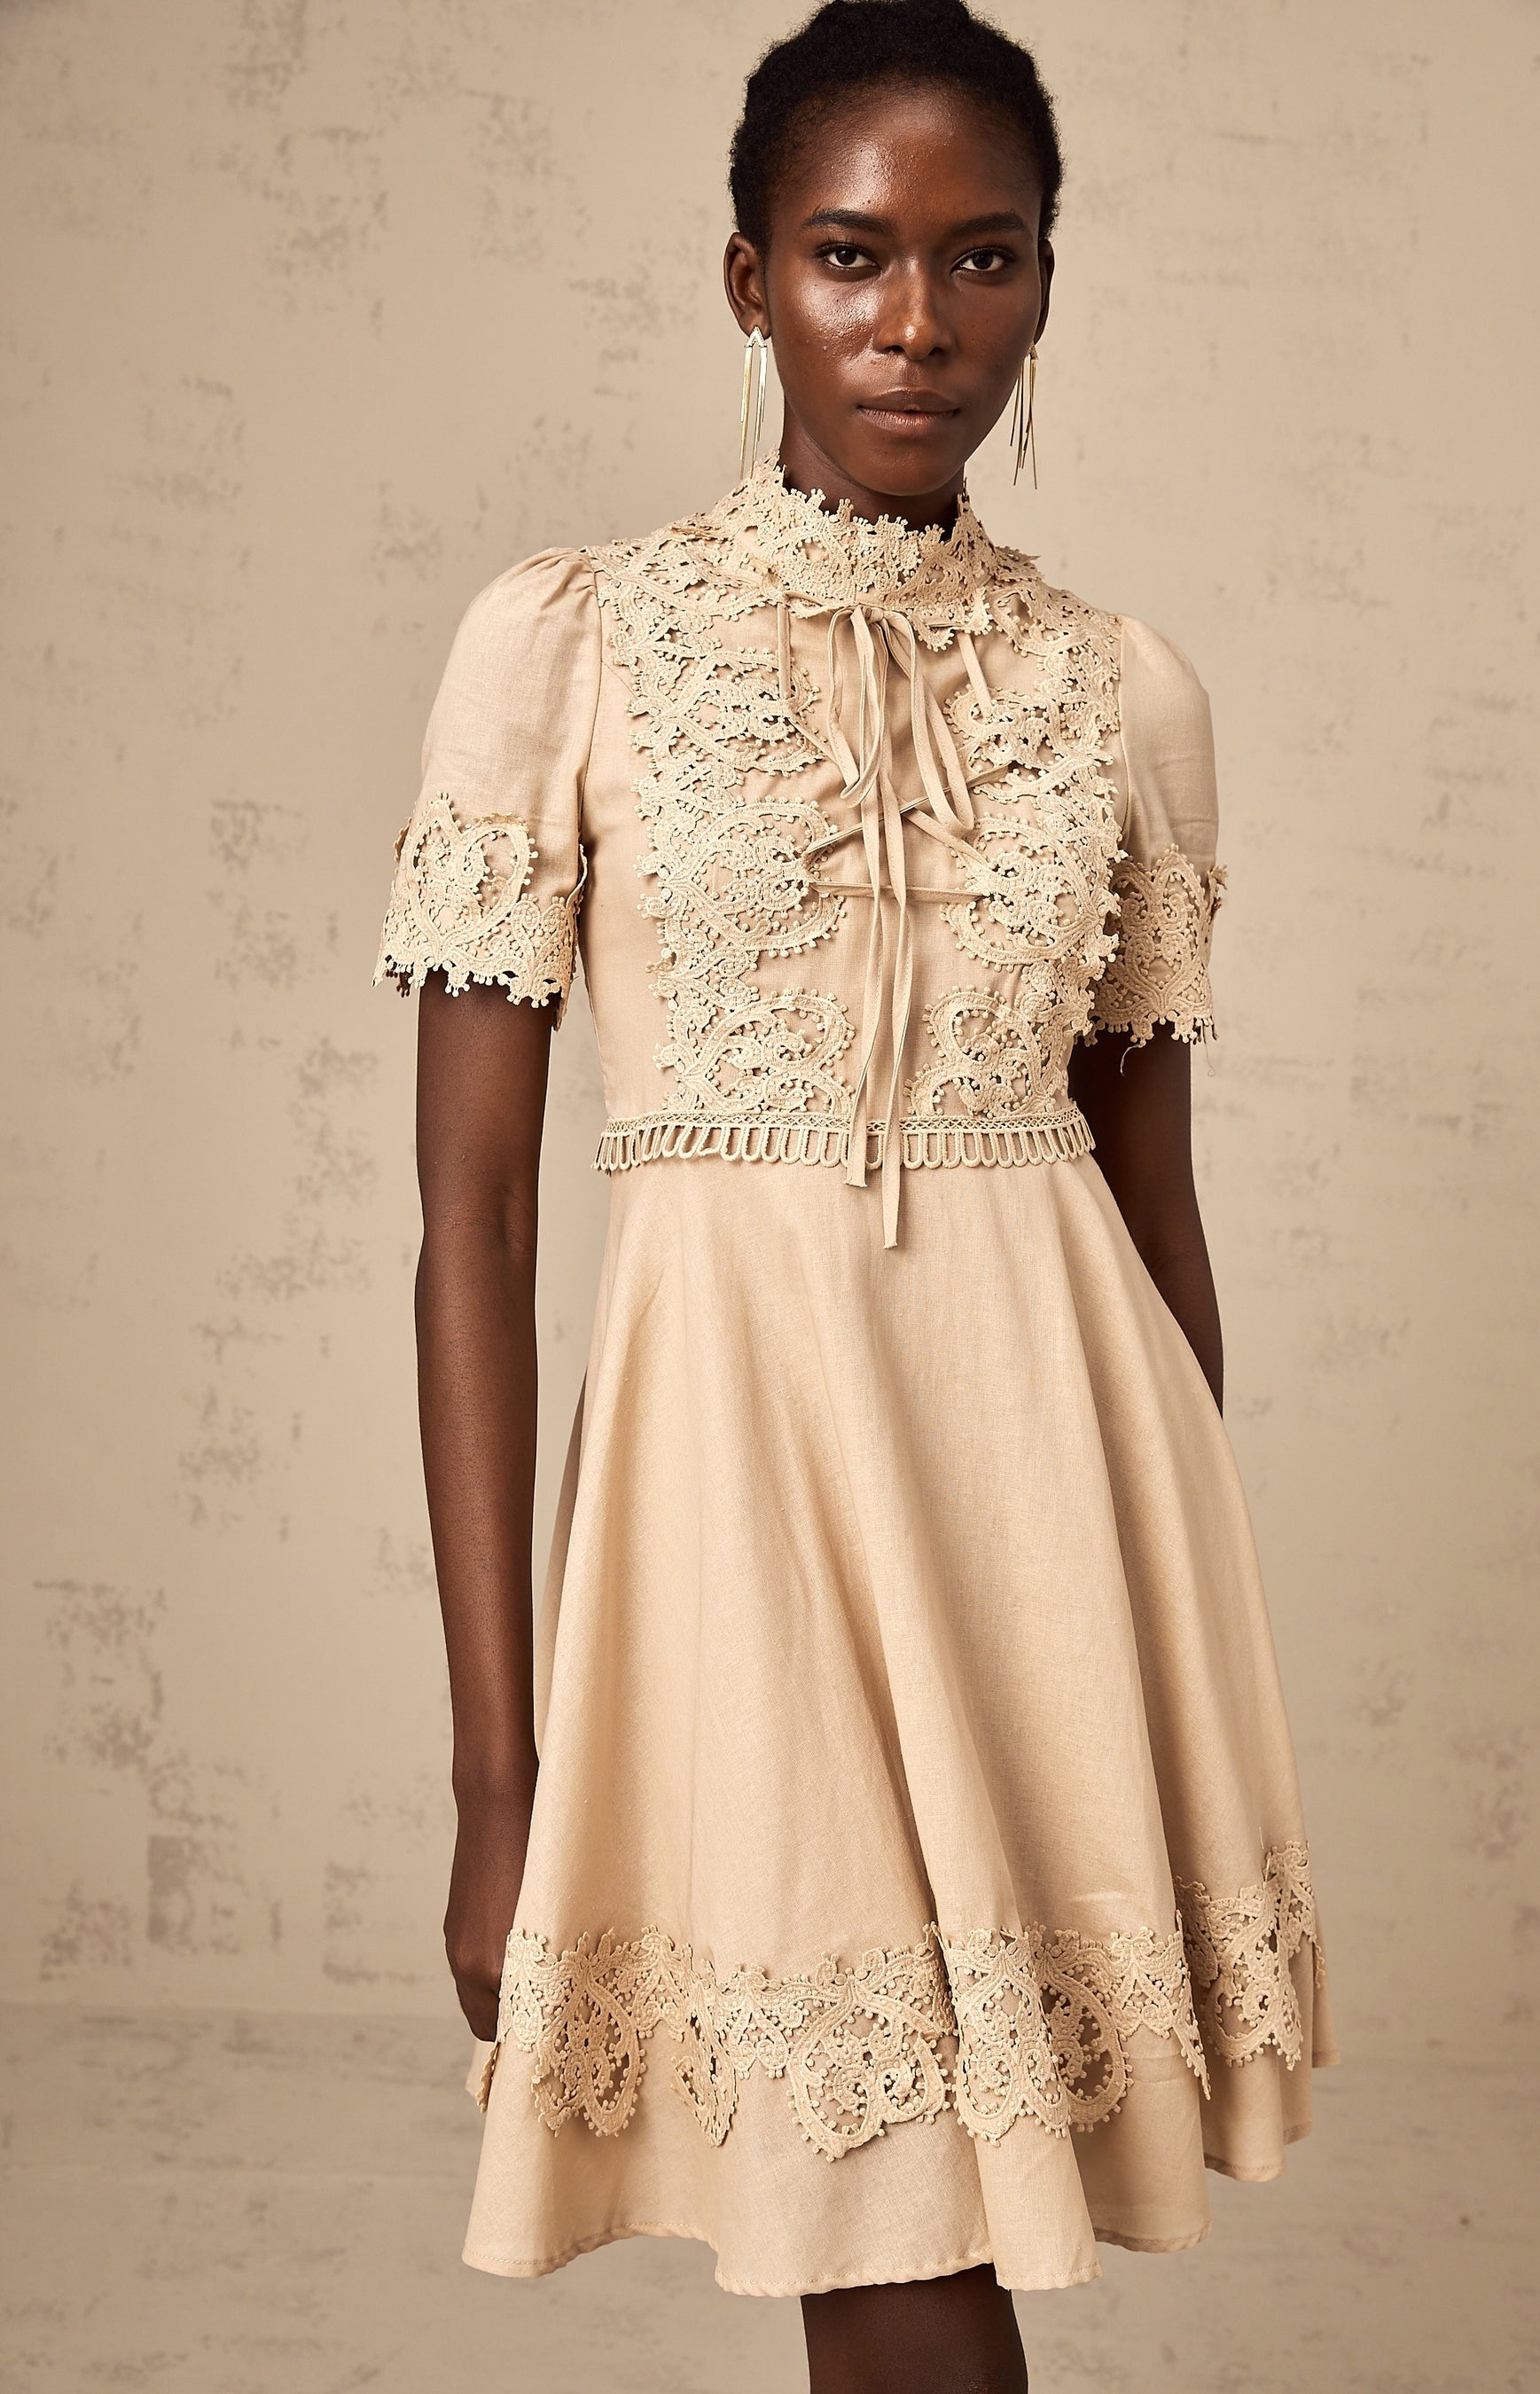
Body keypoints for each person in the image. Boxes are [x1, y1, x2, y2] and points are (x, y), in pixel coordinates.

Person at [375, 3, 1336, 2385]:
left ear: (1043, 277)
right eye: (852, 256)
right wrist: (500, 1776)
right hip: (743, 1519)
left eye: (983, 258)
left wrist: (1167, 1647)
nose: (921, 325)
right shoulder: (564, 648)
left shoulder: (1125, 692)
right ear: (746, 285)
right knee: (893, 2217)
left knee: (926, 2234)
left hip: (1050, 1526)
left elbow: (1153, 1212)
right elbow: (469, 1231)